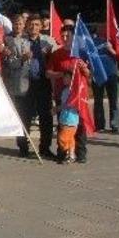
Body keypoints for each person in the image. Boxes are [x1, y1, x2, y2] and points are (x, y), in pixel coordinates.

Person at [46, 25, 89, 163]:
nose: (64, 38)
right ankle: (63, 153)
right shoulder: (57, 54)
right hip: (62, 94)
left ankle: (80, 153)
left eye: (67, 36)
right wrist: (61, 75)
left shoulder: (80, 53)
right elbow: (48, 73)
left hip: (78, 95)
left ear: (73, 37)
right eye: (62, 36)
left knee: (80, 125)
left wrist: (85, 69)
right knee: (63, 124)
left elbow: (89, 75)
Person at [2, 14, 33, 157]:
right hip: (17, 82)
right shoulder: (7, 39)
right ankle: (23, 145)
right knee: (22, 115)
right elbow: (9, 62)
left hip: (32, 80)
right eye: (16, 24)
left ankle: (31, 142)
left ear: (24, 24)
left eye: (20, 24)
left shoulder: (29, 38)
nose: (18, 26)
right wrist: (22, 59)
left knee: (29, 115)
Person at [26, 14, 57, 158]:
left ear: (41, 27)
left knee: (46, 117)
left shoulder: (48, 41)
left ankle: (45, 148)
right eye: (31, 24)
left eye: (37, 25)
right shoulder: (21, 40)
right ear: (27, 26)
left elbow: (58, 58)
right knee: (25, 116)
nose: (34, 27)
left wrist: (50, 53)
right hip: (26, 83)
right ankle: (23, 147)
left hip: (43, 83)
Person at [90, 25, 119, 132]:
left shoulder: (114, 41)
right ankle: (99, 125)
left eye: (104, 26)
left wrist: (111, 49)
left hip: (111, 73)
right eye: (100, 27)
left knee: (113, 100)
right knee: (98, 100)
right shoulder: (92, 41)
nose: (102, 29)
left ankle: (115, 124)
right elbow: (88, 55)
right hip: (98, 74)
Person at [56, 69, 80, 164]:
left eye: (67, 77)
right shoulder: (65, 90)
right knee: (70, 138)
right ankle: (71, 154)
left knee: (62, 138)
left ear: (72, 79)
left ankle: (66, 152)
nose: (64, 79)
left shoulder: (74, 91)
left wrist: (57, 108)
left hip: (70, 119)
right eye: (64, 77)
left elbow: (68, 104)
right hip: (64, 118)